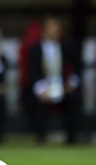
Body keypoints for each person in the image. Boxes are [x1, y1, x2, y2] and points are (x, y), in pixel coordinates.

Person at [27, 16, 81, 145]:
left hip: (62, 86)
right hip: (44, 86)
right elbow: (32, 74)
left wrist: (71, 84)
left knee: (74, 97)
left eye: (57, 29)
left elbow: (77, 68)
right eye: (51, 29)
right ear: (44, 31)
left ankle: (72, 138)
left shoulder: (67, 47)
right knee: (37, 101)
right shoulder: (35, 50)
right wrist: (41, 90)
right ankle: (41, 137)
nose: (54, 32)